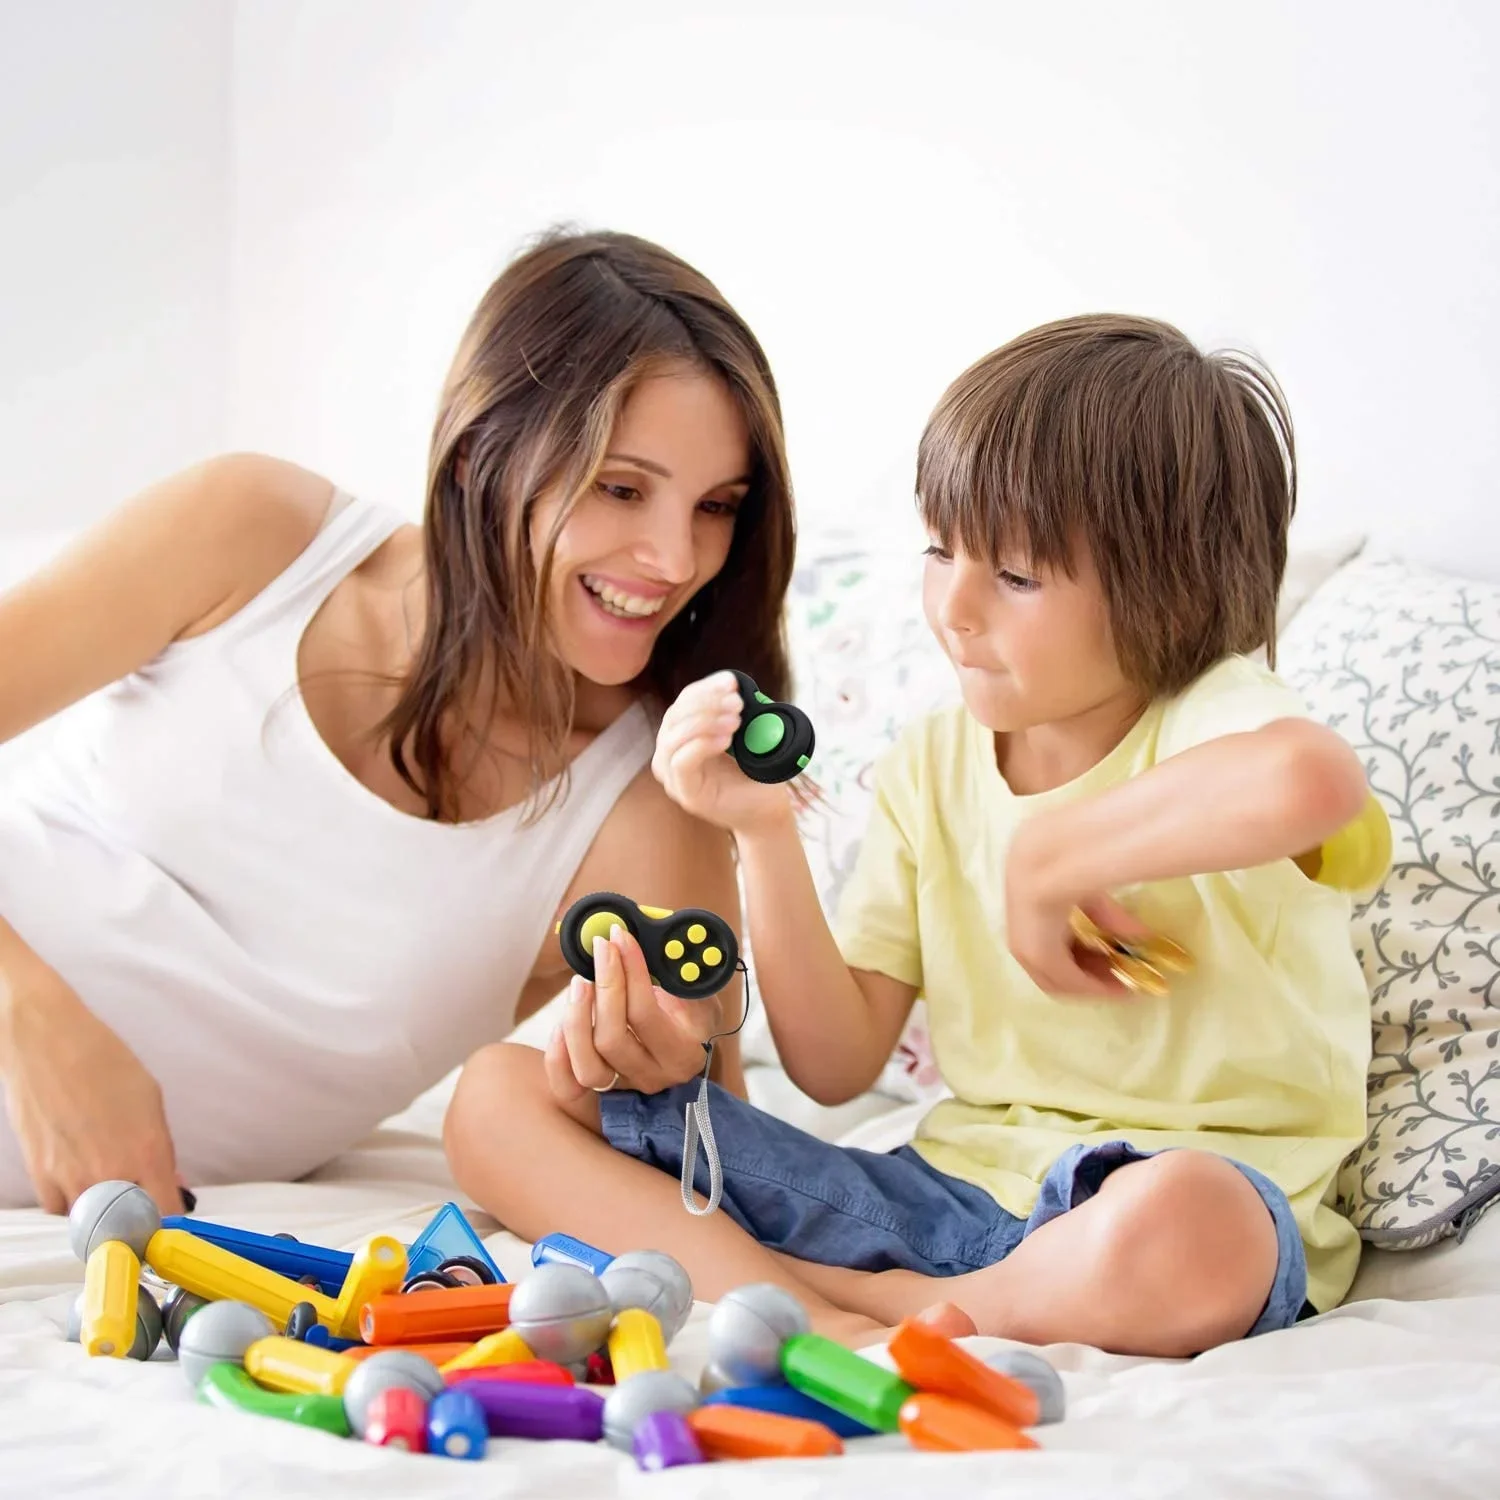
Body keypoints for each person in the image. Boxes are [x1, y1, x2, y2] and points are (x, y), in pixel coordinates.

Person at [445, 314, 1375, 1358]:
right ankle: (848, 1306)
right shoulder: (934, 762)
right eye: (940, 550)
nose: (954, 607)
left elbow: (1313, 779)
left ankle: (824, 1293)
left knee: (1198, 1224)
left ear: (1168, 586)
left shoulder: (1211, 714)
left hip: (1161, 1207)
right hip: (937, 1200)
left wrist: (1054, 856)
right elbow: (835, 1064)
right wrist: (762, 829)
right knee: (497, 1097)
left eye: (1015, 575)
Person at [0, 227, 796, 1215]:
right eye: (621, 488)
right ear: (475, 458)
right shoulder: (257, 536)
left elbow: (717, 1165)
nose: (675, 559)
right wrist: (31, 1012)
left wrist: (632, 1085)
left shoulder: (646, 806)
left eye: (717, 506)